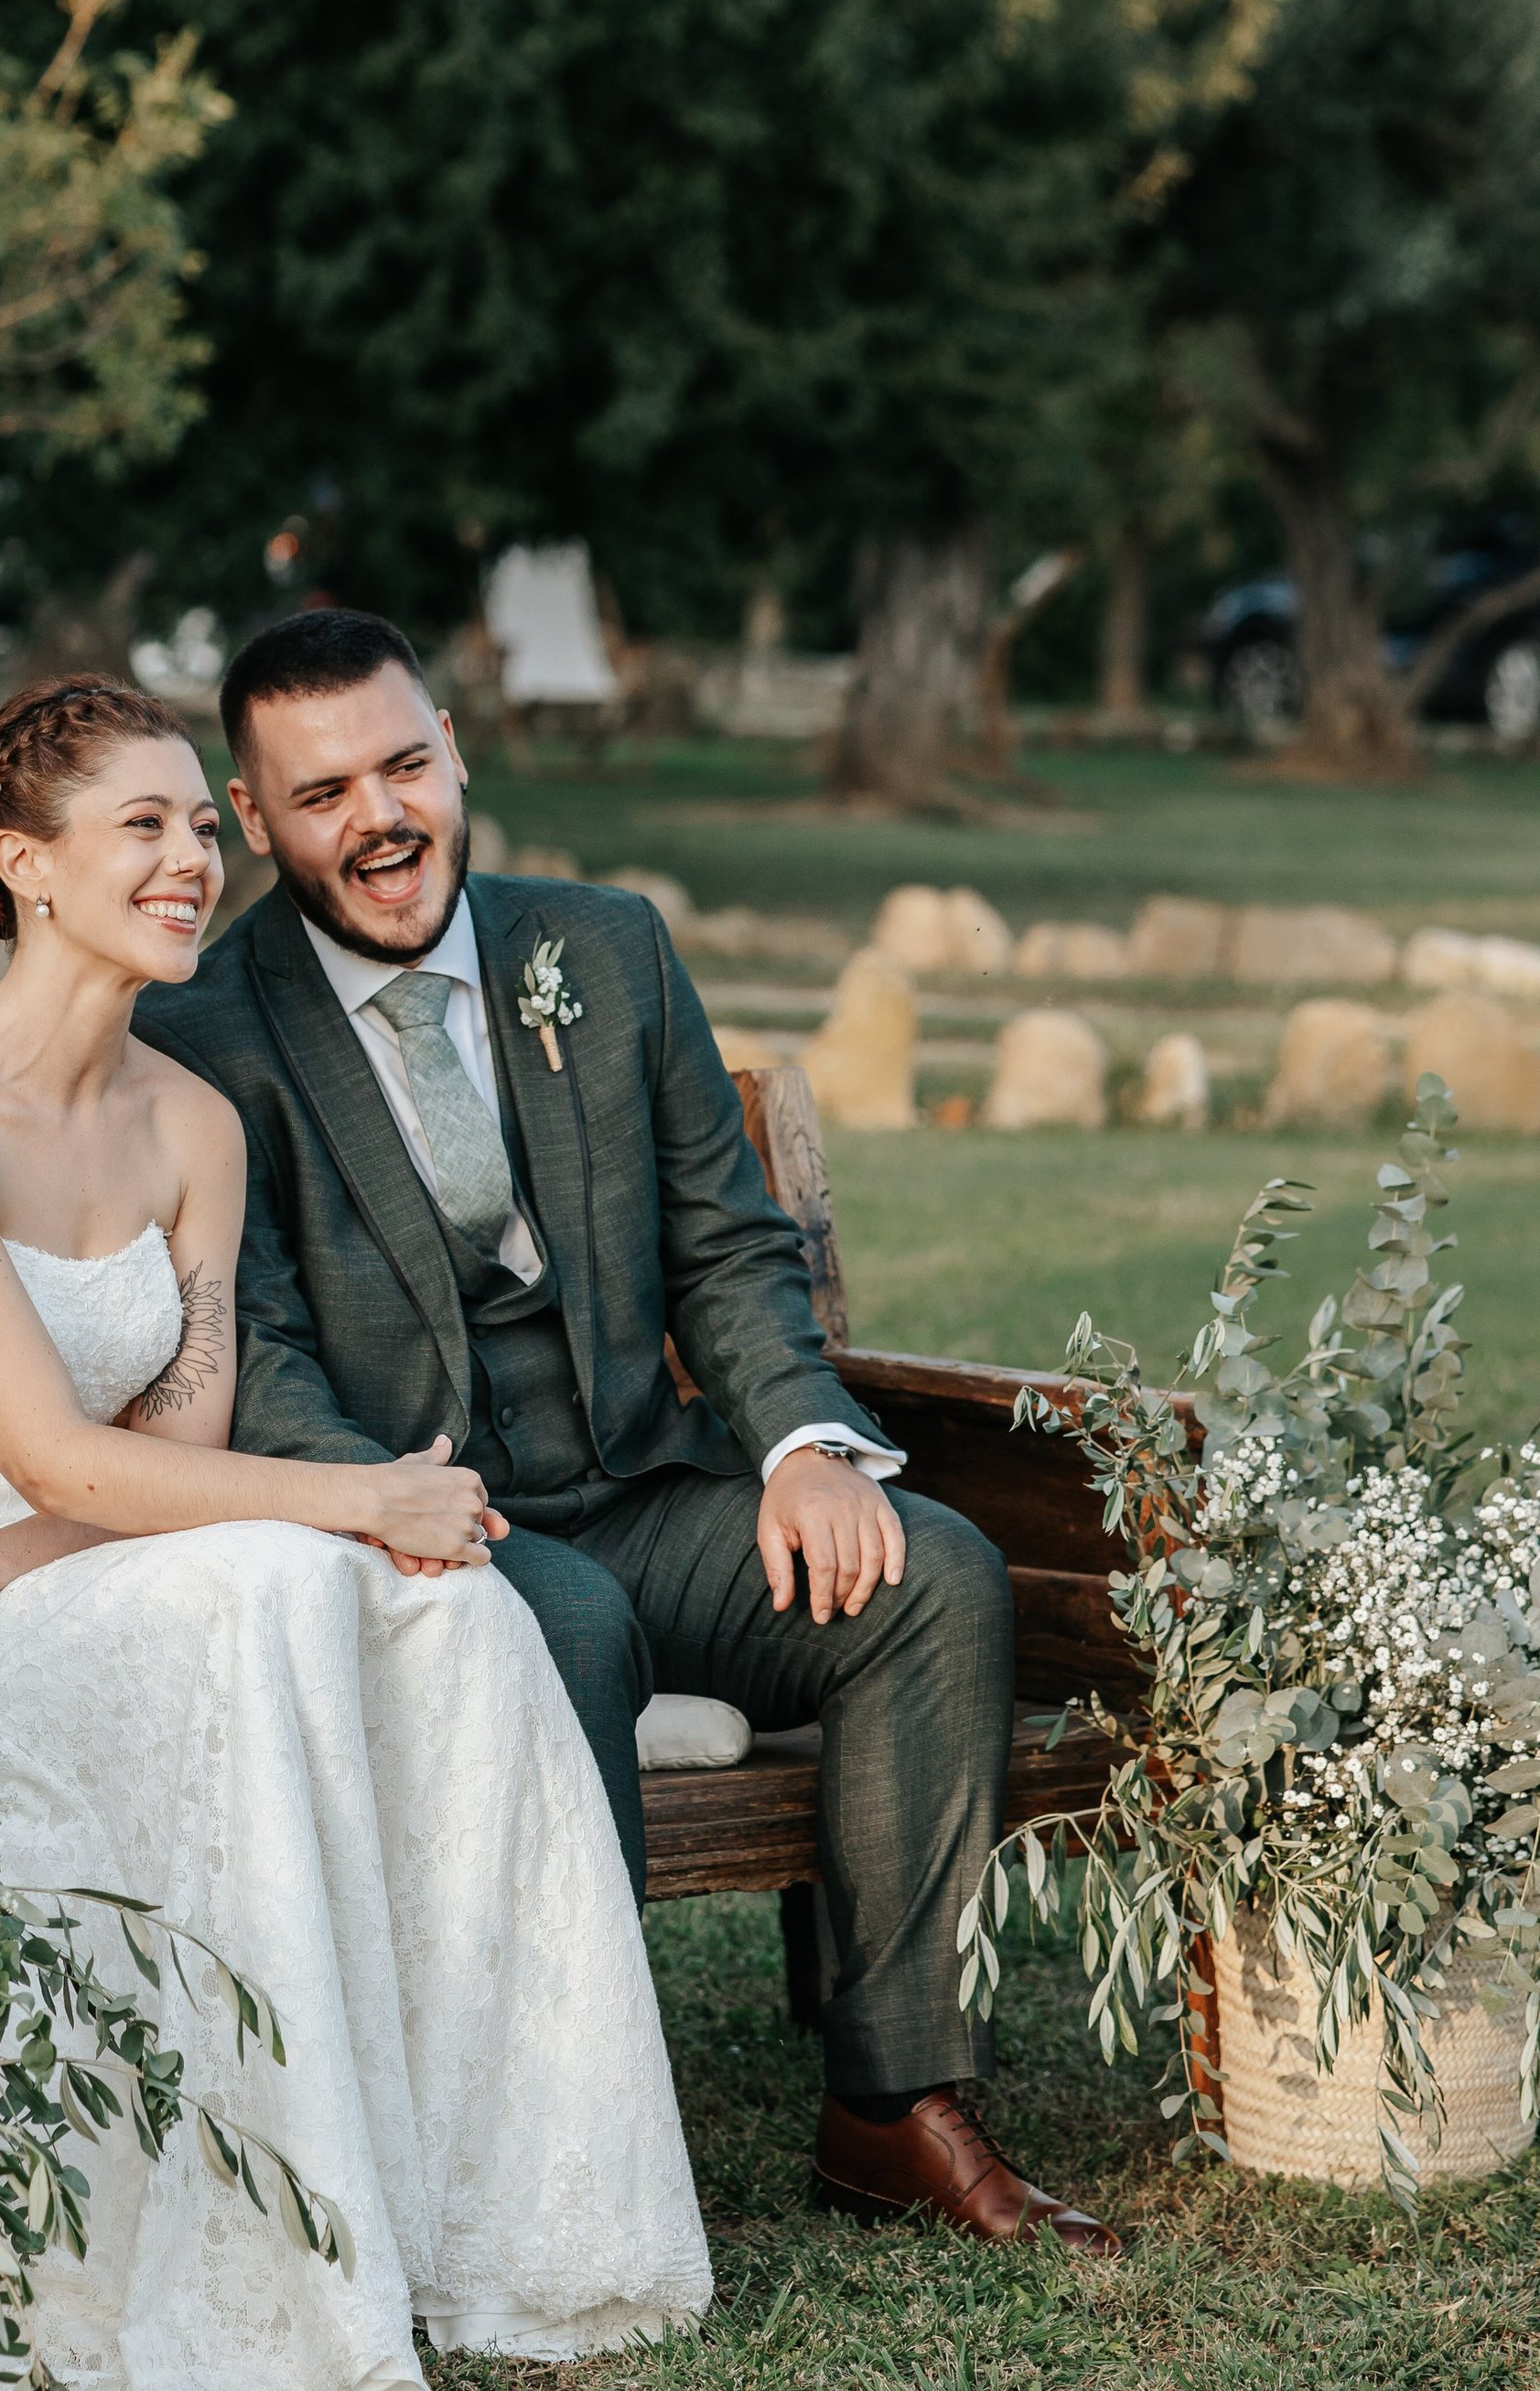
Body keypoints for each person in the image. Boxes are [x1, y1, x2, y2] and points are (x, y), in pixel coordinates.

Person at [0, 673, 714, 2391]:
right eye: (138, 826)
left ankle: (505, 2226)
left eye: (198, 827)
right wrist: (358, 1495)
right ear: (23, 867)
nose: (189, 861)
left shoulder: (190, 1125)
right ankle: (271, 2270)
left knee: (450, 1613)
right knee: (293, 1577)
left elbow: (183, 1445)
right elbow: (51, 1451)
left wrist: (348, 1528)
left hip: (93, 1565)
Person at [135, 606, 1118, 2256]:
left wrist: (805, 1445)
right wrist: (385, 1502)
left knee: (931, 1578)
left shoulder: (603, 947)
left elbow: (729, 1243)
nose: (380, 818)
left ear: (454, 749)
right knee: (567, 1629)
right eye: (322, 794)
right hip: (417, 1519)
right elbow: (261, 1348)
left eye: (402, 766)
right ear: (253, 816)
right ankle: (561, 2139)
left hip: (646, 1489)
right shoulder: (205, 1034)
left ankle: (893, 2105)